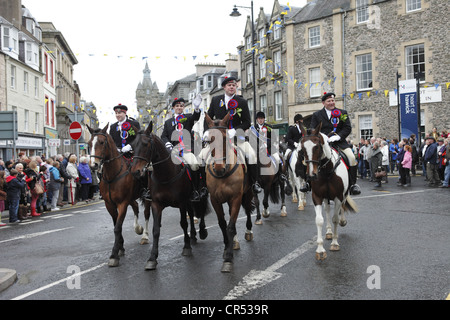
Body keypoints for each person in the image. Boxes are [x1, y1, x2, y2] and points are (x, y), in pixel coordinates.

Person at [200, 76, 261, 193]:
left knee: (252, 155)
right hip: (218, 139)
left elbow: (247, 122)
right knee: (201, 157)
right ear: (224, 87)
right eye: (229, 85)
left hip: (237, 139)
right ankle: (203, 187)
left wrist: (235, 130)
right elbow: (208, 119)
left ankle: (254, 183)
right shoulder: (216, 100)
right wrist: (206, 132)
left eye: (233, 85)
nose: (232, 87)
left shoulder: (242, 102)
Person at [309, 92, 361, 195]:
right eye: (329, 101)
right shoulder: (316, 115)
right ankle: (307, 183)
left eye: (333, 100)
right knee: (309, 158)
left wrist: (338, 136)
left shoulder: (342, 113)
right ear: (323, 103)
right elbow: (312, 129)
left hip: (339, 143)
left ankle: (353, 184)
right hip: (323, 144)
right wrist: (322, 137)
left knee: (351, 158)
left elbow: (347, 128)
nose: (331, 103)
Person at [161, 96, 205, 201]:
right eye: (177, 106)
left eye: (181, 106)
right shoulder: (168, 122)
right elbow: (164, 136)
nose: (179, 108)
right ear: (173, 108)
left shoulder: (188, 117)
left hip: (186, 149)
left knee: (194, 164)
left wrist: (197, 108)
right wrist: (167, 144)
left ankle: (195, 190)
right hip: (173, 151)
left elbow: (196, 116)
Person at [252, 111, 286, 181]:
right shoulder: (253, 129)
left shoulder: (269, 127)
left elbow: (273, 139)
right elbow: (252, 139)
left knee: (277, 158)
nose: (260, 120)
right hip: (258, 150)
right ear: (257, 119)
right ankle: (253, 179)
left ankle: (280, 175)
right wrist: (259, 146)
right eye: (259, 118)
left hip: (269, 149)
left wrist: (267, 144)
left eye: (262, 118)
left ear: (264, 119)